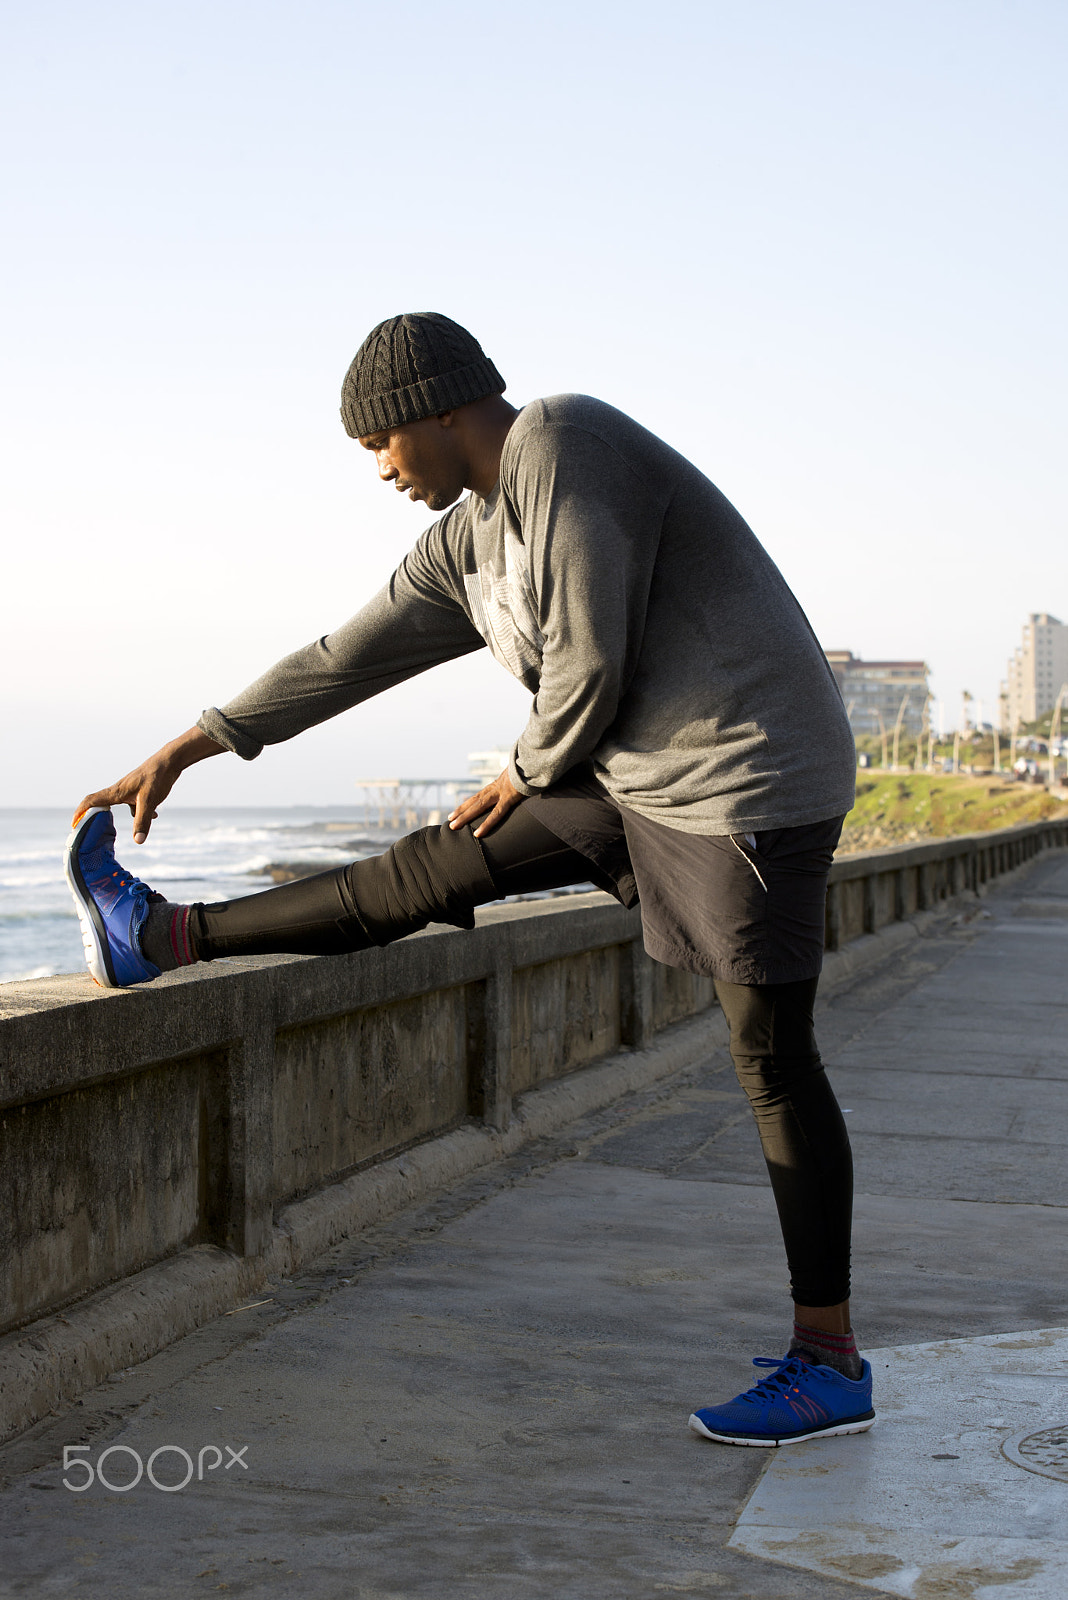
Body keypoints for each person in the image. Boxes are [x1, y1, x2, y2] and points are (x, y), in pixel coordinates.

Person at [67, 311, 874, 1447]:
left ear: (446, 408)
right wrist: (190, 746)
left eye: (383, 443)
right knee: (433, 868)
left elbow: (594, 648)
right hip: (626, 769)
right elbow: (343, 657)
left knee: (771, 1060)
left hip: (748, 778)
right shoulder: (466, 541)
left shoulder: (562, 442)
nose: (381, 470)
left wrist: (527, 766)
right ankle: (161, 935)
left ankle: (829, 1359)